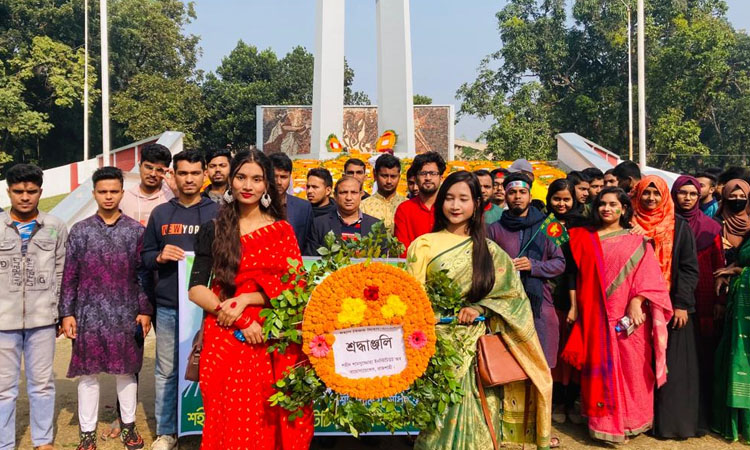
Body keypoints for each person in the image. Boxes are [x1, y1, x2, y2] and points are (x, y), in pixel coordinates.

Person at [407, 171, 553, 450]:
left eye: (463, 199)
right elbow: (412, 297)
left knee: (482, 423)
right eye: (449, 198)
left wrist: (480, 307)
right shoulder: (423, 245)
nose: (455, 205)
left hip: (477, 351)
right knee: (437, 423)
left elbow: (512, 297)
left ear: (477, 203)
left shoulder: (489, 250)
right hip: (437, 351)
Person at [188, 149, 313, 450]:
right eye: (242, 177)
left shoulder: (282, 231)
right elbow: (195, 289)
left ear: (267, 185)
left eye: (257, 179)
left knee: (272, 416)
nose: (248, 185)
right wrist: (238, 315)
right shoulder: (214, 229)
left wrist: (247, 299)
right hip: (226, 334)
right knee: (231, 420)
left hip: (274, 335)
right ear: (231, 180)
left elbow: (296, 288)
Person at [561, 187, 673, 443]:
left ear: (624, 209)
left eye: (613, 204)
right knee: (600, 371)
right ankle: (605, 424)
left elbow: (650, 276)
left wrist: (637, 300)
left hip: (628, 319)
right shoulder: (583, 238)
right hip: (595, 317)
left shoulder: (637, 240)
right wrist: (575, 307)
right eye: (602, 203)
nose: (607, 208)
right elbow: (574, 276)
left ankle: (631, 421)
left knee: (633, 370)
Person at [59, 167, 151, 450]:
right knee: (88, 373)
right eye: (103, 191)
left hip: (126, 313)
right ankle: (86, 433)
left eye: (114, 191)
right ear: (94, 194)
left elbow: (143, 274)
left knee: (126, 371)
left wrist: (145, 310)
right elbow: (69, 274)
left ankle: (128, 427)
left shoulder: (136, 231)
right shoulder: (80, 230)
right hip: (88, 314)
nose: (108, 197)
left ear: (122, 193)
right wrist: (67, 313)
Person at [141, 150, 219, 450]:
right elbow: (146, 256)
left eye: (195, 173)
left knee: (210, 369)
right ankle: (166, 432)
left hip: (209, 307)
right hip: (170, 306)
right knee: (167, 370)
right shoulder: (161, 214)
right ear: (172, 175)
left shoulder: (219, 213)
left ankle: (208, 428)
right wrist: (159, 256)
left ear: (204, 175)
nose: (189, 179)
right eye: (183, 173)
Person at [0, 164, 67, 450]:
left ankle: (43, 441)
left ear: (41, 191)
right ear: (8, 192)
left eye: (31, 191)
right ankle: (4, 442)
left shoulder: (55, 226)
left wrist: (62, 314)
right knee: (4, 390)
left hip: (42, 320)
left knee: (42, 384)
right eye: (18, 192)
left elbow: (62, 271)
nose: (25, 197)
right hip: (3, 322)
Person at [629, 176, 701, 439]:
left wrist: (682, 304)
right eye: (645, 193)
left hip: (671, 307)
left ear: (664, 196)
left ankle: (670, 424)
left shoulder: (678, 226)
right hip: (636, 306)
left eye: (655, 194)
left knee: (672, 367)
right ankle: (639, 420)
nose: (650, 199)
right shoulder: (629, 224)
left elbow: (689, 268)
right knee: (639, 365)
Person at [488, 173, 566, 368]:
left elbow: (561, 263)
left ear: (530, 196)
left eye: (522, 192)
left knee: (543, 361)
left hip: (541, 301)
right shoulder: (493, 229)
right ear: (505, 196)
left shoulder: (551, 225)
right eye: (512, 192)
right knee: (511, 364)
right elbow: (486, 265)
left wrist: (535, 266)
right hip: (507, 302)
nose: (517, 197)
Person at [671, 175, 725, 421]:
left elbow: (719, 264)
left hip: (702, 294)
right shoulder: (665, 223)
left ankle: (702, 408)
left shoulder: (711, 227)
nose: (688, 198)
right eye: (683, 192)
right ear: (674, 194)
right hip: (673, 294)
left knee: (702, 351)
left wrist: (718, 301)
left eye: (693, 194)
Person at [545, 179, 587, 425]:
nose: (561, 204)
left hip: (580, 292)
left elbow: (576, 263)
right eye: (556, 199)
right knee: (558, 352)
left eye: (566, 199)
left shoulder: (584, 224)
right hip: (554, 295)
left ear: (574, 199)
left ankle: (573, 402)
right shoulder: (545, 224)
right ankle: (558, 401)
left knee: (575, 350)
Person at [712, 232, 750, 443]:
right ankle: (737, 421)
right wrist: (726, 273)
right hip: (740, 312)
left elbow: (741, 267)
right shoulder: (749, 238)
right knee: (736, 360)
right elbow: (740, 260)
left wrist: (738, 271)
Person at [305, 176, 382, 256]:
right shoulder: (320, 224)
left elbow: (385, 261)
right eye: (343, 192)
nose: (348, 198)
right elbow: (310, 259)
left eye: (354, 192)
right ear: (335, 196)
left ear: (361, 194)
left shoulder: (376, 226)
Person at [394, 151, 446, 256]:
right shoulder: (405, 209)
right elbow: (402, 250)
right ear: (416, 178)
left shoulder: (449, 207)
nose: (428, 178)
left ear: (441, 178)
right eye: (423, 173)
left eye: (432, 173)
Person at [121, 143, 175, 226]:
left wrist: (177, 191)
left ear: (166, 171)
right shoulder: (124, 198)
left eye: (159, 170)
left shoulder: (173, 197)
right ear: (139, 166)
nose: (153, 174)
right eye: (149, 167)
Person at [270, 152, 313, 251]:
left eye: (284, 177)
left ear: (290, 178)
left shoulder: (303, 208)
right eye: (274, 176)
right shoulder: (254, 206)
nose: (279, 182)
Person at [361, 154, 406, 234]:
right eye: (384, 176)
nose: (389, 181)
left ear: (399, 176)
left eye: (393, 176)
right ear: (375, 175)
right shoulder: (363, 206)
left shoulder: (406, 205)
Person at [716, 179, 750, 266]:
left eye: (743, 196)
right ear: (725, 198)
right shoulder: (716, 223)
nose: (737, 200)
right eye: (732, 196)